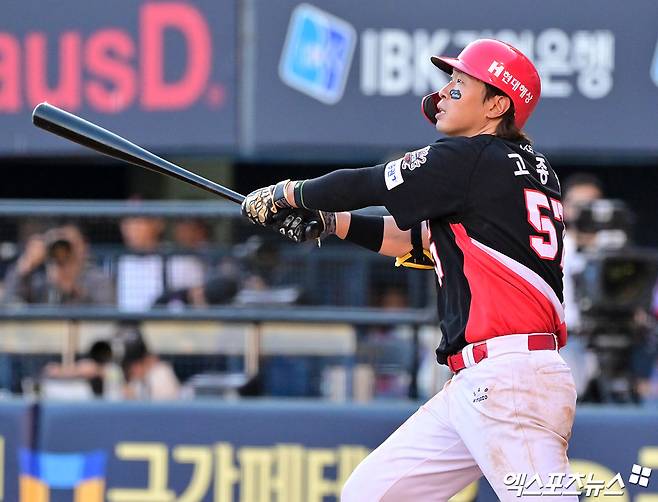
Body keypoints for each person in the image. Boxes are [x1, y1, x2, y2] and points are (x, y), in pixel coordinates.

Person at [242, 39, 576, 501]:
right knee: (369, 494)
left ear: (496, 105)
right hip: (482, 381)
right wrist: (332, 222)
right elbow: (420, 240)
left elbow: (368, 182)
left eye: (460, 84)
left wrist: (288, 193)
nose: (445, 93)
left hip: (510, 379)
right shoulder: (516, 169)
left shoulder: (473, 157)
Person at [2, 224, 114, 305]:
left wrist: (73, 290)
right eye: (59, 246)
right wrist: (25, 265)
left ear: (84, 247)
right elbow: (9, 302)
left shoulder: (98, 279)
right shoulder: (42, 280)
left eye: (71, 245)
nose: (64, 252)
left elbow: (107, 316)